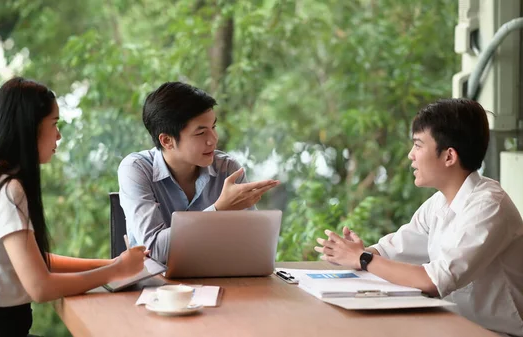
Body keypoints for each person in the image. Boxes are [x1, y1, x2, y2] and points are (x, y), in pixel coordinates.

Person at [0, 77, 147, 337]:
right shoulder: (7, 189)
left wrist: (111, 263)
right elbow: (40, 288)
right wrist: (116, 271)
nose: (59, 135)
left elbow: (37, 262)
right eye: (54, 124)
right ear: (29, 128)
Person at [314, 98, 523, 337]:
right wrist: (359, 253)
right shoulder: (438, 203)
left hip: (495, 333)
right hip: (451, 326)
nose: (410, 155)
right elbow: (394, 249)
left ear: (449, 156)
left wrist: (362, 259)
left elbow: (434, 281)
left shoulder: (489, 206)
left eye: (418, 145)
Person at [118, 82, 280, 263]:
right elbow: (155, 249)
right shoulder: (135, 169)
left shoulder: (227, 170)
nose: (213, 139)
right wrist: (218, 210)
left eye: (214, 127)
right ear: (167, 141)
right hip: (156, 286)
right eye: (201, 133)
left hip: (220, 279)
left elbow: (253, 247)